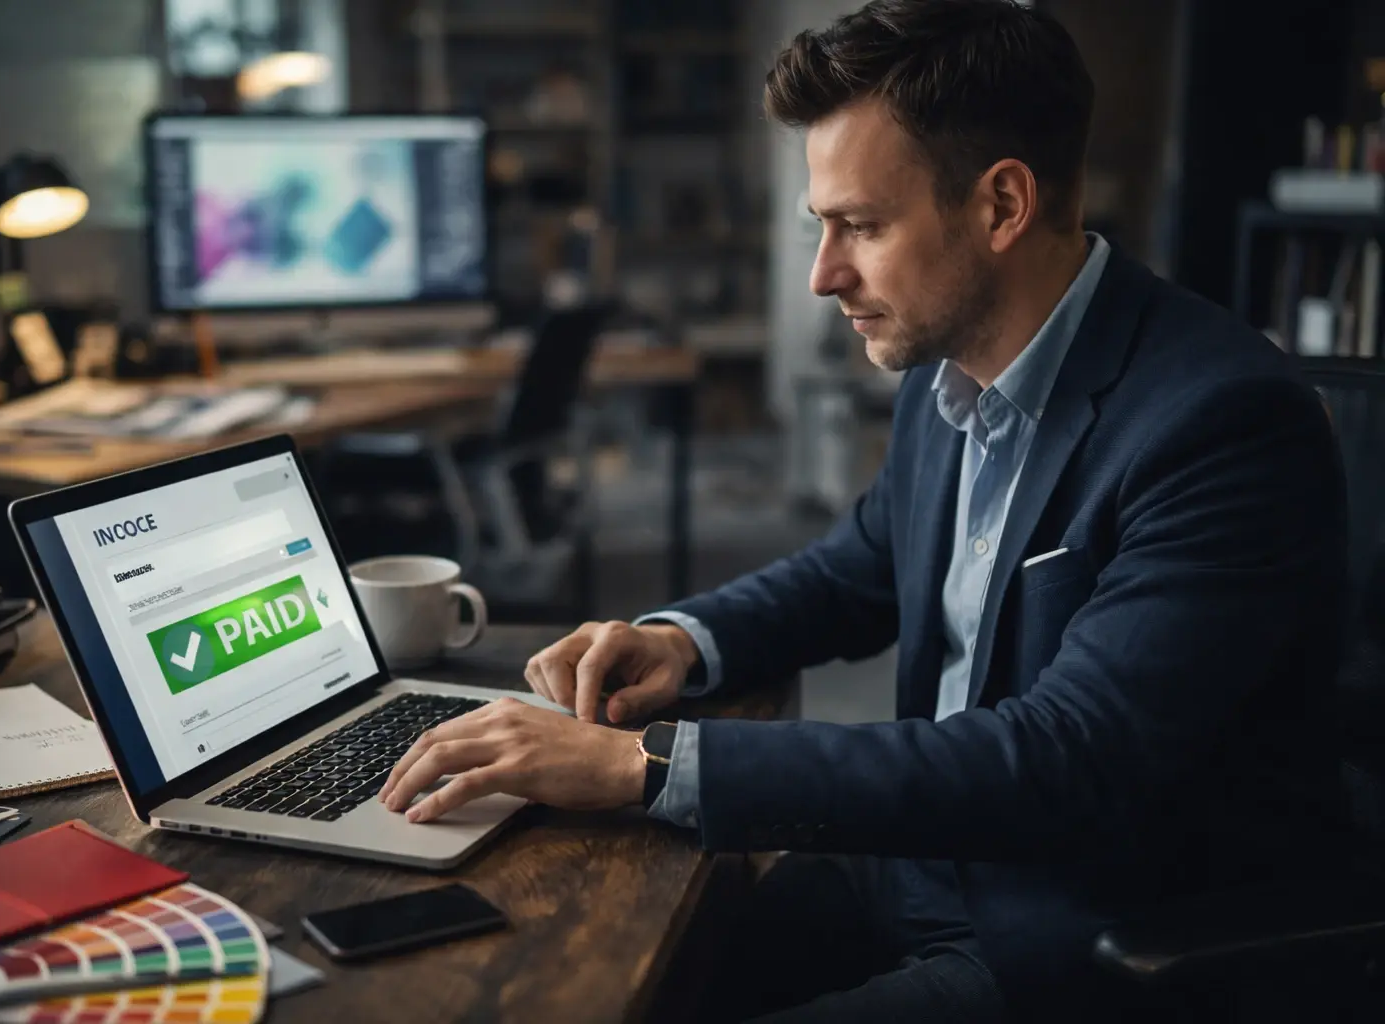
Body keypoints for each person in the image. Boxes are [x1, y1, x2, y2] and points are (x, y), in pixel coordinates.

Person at [380, 1, 1349, 1019]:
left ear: (1001, 205)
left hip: (1092, 928)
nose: (822, 273)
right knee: (606, 988)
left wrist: (642, 761)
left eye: (862, 225)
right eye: (822, 225)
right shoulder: (955, 367)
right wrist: (678, 638)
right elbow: (857, 566)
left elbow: (1067, 756)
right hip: (921, 861)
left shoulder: (1223, 422)